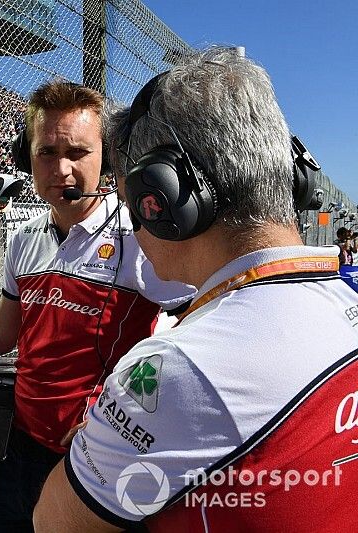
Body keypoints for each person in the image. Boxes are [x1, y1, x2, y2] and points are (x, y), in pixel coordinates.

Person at [35, 47, 358, 532]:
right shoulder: (346, 301)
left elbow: (53, 522)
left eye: (130, 201)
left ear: (161, 200)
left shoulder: (180, 370)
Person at [0, 80, 194, 532]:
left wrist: (115, 415)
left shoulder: (139, 237)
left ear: (107, 158)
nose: (62, 168)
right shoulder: (25, 239)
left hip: (96, 455)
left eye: (79, 152)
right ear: (25, 157)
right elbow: (2, 335)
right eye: (46, 152)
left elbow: (197, 325)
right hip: (19, 444)